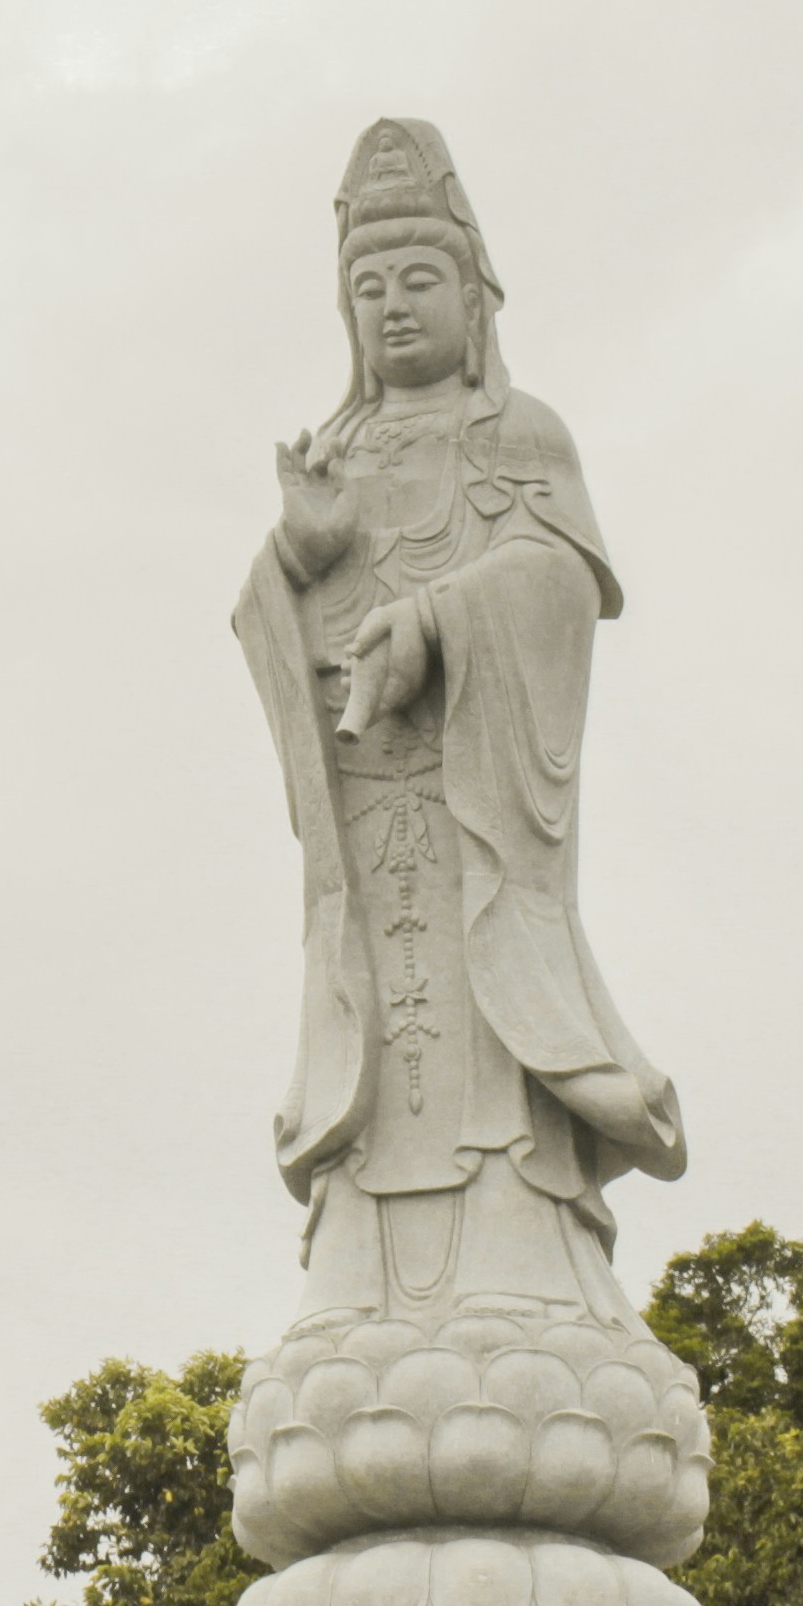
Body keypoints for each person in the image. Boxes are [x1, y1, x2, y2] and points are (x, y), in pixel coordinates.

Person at [232, 116, 686, 1328]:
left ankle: (518, 1261)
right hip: (372, 823)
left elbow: (563, 586)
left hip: (476, 817)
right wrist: (300, 556)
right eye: (368, 287)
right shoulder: (337, 446)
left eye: (418, 281)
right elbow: (267, 621)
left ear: (474, 300)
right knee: (381, 1024)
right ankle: (361, 1276)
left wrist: (439, 621)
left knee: (480, 1035)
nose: (392, 310)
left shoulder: (517, 433)